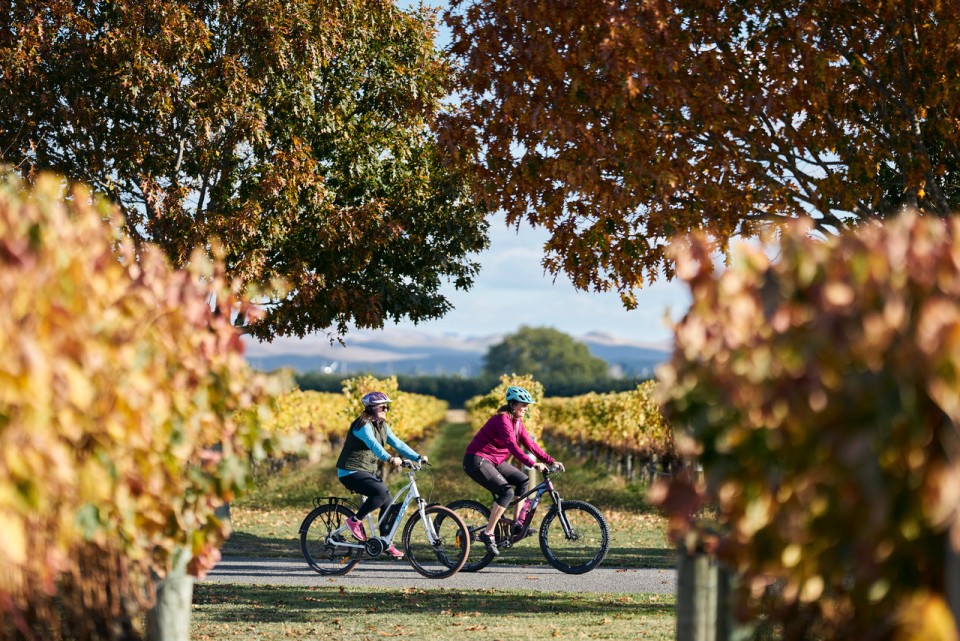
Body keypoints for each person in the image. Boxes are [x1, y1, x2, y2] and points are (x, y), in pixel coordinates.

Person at [462, 385, 565, 556]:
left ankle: (517, 524)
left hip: (494, 461)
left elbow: (530, 445)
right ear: (512, 404)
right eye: (523, 405)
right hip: (477, 459)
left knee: (523, 481)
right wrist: (533, 464)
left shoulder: (517, 422)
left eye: (527, 405)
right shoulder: (502, 420)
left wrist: (551, 460)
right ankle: (487, 533)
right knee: (506, 492)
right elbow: (512, 446)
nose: (525, 408)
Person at [335, 391, 427, 560]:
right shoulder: (362, 425)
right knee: (380, 493)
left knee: (388, 501)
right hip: (350, 471)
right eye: (383, 406)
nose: (386, 409)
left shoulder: (382, 425)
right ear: (372, 408)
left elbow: (397, 442)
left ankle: (385, 541)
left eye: (387, 406)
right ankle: (354, 521)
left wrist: (417, 457)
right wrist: (390, 458)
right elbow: (374, 444)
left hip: (366, 471)